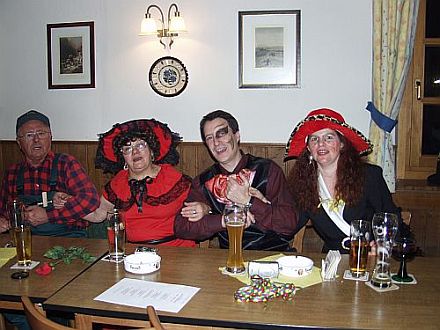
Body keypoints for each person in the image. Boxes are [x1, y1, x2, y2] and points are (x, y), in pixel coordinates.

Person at [284, 108, 408, 253]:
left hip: (369, 257)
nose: (321, 144)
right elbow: (288, 224)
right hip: (333, 261)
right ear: (309, 149)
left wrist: (383, 246)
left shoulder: (369, 176)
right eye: (314, 139)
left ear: (342, 144)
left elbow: (391, 219)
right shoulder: (303, 185)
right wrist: (255, 203)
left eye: (329, 137)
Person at [174, 110, 298, 251]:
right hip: (229, 260)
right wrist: (226, 219)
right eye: (209, 138)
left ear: (237, 135)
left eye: (221, 133)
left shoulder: (268, 170)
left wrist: (249, 201)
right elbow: (181, 227)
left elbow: (289, 224)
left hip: (274, 257)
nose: (216, 142)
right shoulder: (204, 181)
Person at [77, 118, 195, 247]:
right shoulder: (117, 183)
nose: (135, 152)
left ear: (151, 151)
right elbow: (98, 215)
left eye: (140, 145)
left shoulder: (173, 179)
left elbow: (204, 203)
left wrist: (205, 208)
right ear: (123, 158)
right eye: (127, 149)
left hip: (176, 250)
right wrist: (68, 203)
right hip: (134, 254)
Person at [0, 110, 100, 237]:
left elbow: (90, 200)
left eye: (41, 133)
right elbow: (4, 211)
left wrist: (49, 216)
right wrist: (14, 218)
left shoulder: (66, 164)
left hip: (69, 239)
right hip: (28, 240)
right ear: (19, 142)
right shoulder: (12, 173)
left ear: (50, 137)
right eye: (29, 135)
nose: (36, 139)